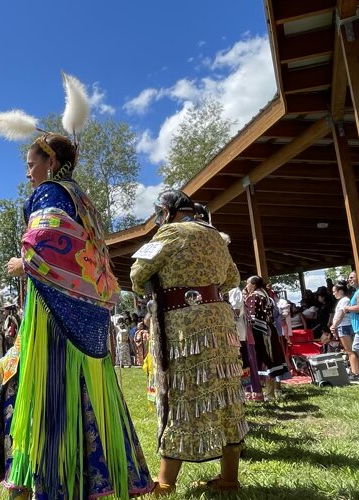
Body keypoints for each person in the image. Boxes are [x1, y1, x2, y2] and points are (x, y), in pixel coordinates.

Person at [0, 127, 153, 497]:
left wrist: (23, 261)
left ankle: (44, 477)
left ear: (51, 162)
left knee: (44, 385)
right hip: (87, 312)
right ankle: (92, 477)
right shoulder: (83, 199)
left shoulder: (51, 192)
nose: (27, 174)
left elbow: (46, 239)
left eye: (31, 165)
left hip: (53, 313)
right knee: (81, 386)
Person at [130, 189, 246, 495]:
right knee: (225, 394)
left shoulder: (170, 232)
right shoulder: (216, 235)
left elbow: (138, 273)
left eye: (158, 212)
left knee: (182, 393)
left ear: (167, 211)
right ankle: (230, 479)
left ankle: (166, 483)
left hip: (184, 324)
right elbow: (232, 278)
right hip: (220, 323)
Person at [330, 281, 357, 378]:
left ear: (341, 291)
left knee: (350, 351)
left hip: (345, 326)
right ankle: (354, 370)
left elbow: (340, 315)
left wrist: (334, 326)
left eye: (334, 291)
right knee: (350, 351)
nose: (333, 294)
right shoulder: (343, 300)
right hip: (344, 326)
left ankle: (355, 372)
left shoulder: (344, 300)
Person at [343, 271, 359, 380]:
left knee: (355, 348)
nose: (349, 279)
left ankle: (356, 373)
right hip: (357, 327)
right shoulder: (356, 291)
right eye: (349, 278)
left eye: (351, 277)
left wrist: (347, 308)